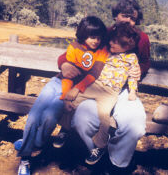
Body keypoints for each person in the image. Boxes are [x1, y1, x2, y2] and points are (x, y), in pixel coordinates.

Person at [58, 0, 150, 172]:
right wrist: (64, 63)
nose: (129, 21)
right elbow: (76, 50)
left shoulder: (141, 38)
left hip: (122, 90)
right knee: (81, 119)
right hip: (98, 84)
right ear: (116, 16)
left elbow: (145, 62)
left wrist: (139, 71)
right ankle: (94, 152)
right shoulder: (104, 33)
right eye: (125, 16)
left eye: (133, 18)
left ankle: (117, 164)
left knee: (135, 126)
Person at [14, 15, 108, 175]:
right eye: (92, 37)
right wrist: (65, 95)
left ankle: (34, 143)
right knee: (35, 116)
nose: (96, 41)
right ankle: (25, 158)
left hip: (74, 90)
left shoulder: (102, 50)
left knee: (50, 117)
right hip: (59, 84)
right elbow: (65, 69)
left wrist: (72, 93)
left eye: (99, 37)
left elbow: (94, 73)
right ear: (84, 34)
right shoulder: (74, 46)